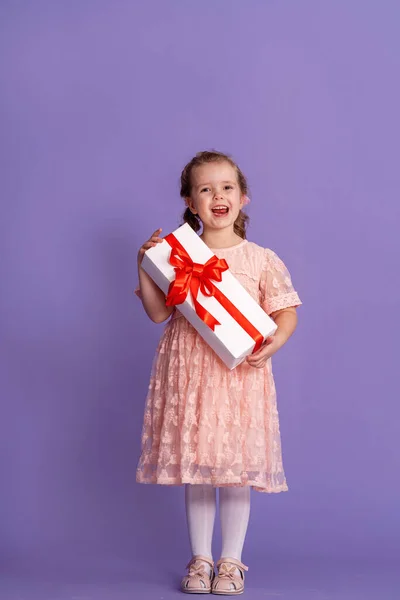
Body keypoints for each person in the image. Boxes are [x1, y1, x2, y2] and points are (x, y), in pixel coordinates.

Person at [135, 150, 302, 595]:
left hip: (239, 378)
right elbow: (156, 314)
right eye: (205, 189)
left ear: (243, 197)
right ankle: (200, 560)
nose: (217, 196)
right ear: (191, 203)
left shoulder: (261, 258)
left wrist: (276, 343)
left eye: (226, 187)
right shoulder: (176, 255)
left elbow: (285, 312)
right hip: (191, 374)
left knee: (234, 470)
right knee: (198, 466)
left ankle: (230, 563)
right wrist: (146, 265)